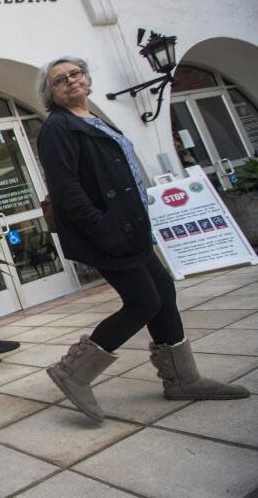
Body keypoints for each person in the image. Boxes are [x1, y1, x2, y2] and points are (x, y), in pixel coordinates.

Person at [36, 56, 249, 423]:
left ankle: (183, 379)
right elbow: (67, 189)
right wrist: (104, 229)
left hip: (130, 227)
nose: (71, 81)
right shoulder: (58, 128)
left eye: (76, 73)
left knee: (163, 292)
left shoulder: (93, 119)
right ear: (51, 94)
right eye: (60, 80)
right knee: (143, 302)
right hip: (107, 233)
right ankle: (73, 371)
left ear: (87, 78)